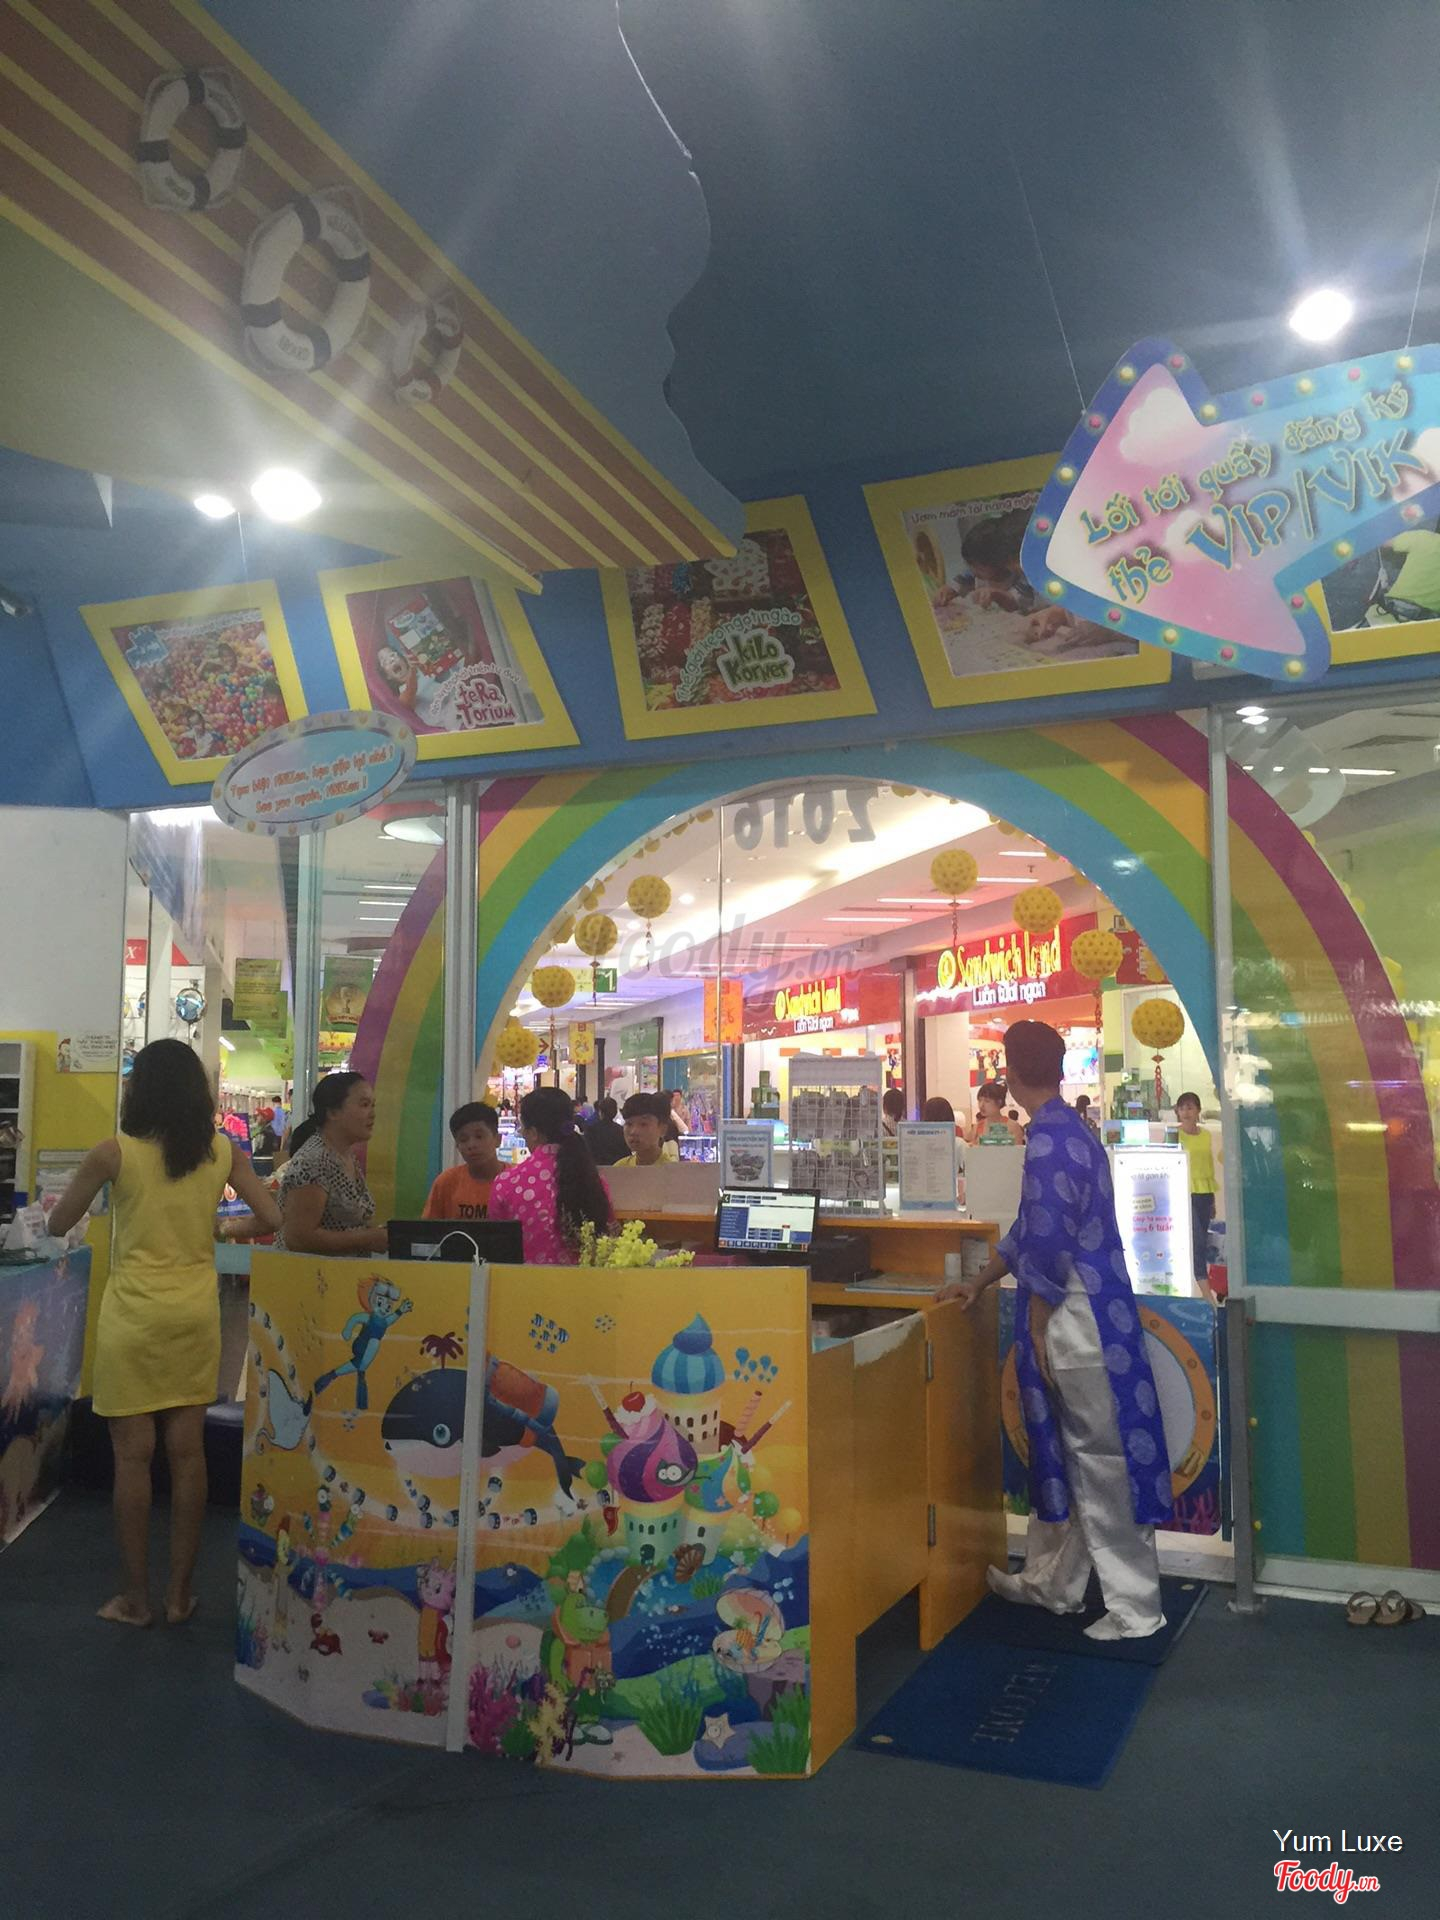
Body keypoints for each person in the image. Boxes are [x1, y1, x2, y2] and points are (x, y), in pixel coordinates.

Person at [939, 1020, 1169, 1639]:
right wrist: (981, 1281)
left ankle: (1136, 1608)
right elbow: (1030, 1230)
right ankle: (1054, 1583)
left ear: (1011, 1073)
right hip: (1098, 1309)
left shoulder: (1047, 1140)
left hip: (1076, 1317)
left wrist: (1037, 1322)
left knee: (1098, 1458)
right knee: (1076, 1455)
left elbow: (1043, 1241)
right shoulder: (1072, 1131)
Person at [47, 1039, 281, 1628]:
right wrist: (220, 1231)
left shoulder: (112, 1153)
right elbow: (272, 1218)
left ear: (140, 1089)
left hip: (132, 1317)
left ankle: (136, 1599)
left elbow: (57, 1222)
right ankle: (179, 1596)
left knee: (133, 1458)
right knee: (188, 1455)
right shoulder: (222, 1152)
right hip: (195, 1315)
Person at [488, 1086, 613, 1263]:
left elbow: (497, 1247)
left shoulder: (507, 1183)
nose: (521, 1133)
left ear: (533, 1133)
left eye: (523, 1127)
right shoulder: (592, 1178)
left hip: (522, 1279)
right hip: (584, 1279)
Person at [276, 1072, 388, 1255]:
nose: (372, 1114)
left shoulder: (345, 1157)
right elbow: (298, 1238)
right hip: (311, 1272)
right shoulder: (314, 1162)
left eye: (373, 1105)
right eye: (364, 1105)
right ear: (333, 1112)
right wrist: (367, 1238)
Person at [1175, 1091, 1221, 1297]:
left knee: (1202, 1240)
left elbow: (1208, 1166)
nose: (1186, 1112)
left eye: (1190, 1107)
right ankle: (1206, 1292)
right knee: (1197, 1242)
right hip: (1184, 1194)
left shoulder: (1206, 1135)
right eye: (1182, 1108)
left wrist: (1212, 1200)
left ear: (1198, 1110)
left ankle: (1202, 1288)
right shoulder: (1174, 1135)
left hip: (1204, 1192)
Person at [423, 1101, 501, 1220]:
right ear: (457, 1146)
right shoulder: (446, 1183)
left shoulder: (516, 1181)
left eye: (479, 1136)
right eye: (463, 1139)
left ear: (498, 1139)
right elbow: (428, 1228)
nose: (472, 1145)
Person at [615, 1092, 679, 1168]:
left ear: (663, 1129)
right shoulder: (619, 1168)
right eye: (629, 1124)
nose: (633, 1131)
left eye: (643, 1124)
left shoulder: (672, 1171)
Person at [966, 1081, 1024, 1146]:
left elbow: (1017, 1150)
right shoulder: (977, 1127)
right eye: (980, 1100)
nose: (981, 1105)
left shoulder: (1012, 1126)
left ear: (999, 1102)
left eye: (987, 1101)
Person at [584, 1096, 628, 1168]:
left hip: (597, 1169)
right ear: (615, 1112)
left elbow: (587, 1152)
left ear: (600, 1112)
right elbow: (626, 1153)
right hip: (618, 1169)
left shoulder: (591, 1129)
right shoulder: (621, 1130)